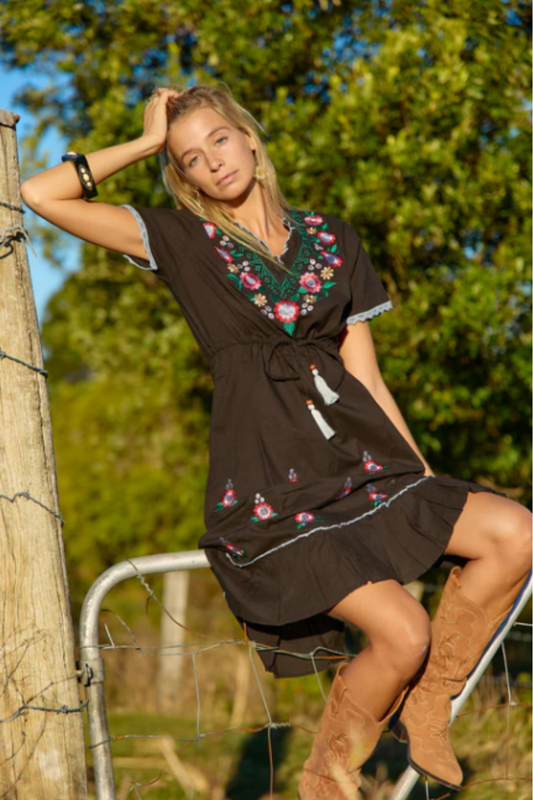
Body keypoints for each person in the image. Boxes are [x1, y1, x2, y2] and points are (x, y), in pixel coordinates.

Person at [21, 82, 532, 798]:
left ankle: (426, 703)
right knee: (402, 633)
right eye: (189, 159)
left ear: (251, 139)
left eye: (219, 141)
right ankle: (327, 774)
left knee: (514, 532)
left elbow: (367, 378)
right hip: (270, 487)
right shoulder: (184, 242)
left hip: (362, 463)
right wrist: (144, 142)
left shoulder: (333, 238)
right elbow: (40, 195)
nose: (211, 164)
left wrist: (422, 487)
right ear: (184, 176)